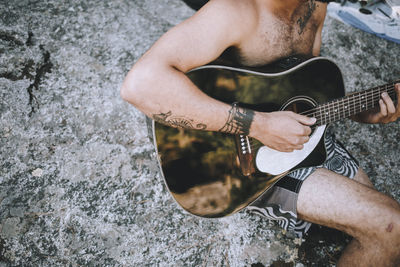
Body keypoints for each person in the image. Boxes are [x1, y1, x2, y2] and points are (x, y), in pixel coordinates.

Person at [120, 0, 400, 265]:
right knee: (389, 225)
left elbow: (299, 80)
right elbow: (141, 85)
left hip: (299, 137)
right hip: (233, 161)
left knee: (373, 226)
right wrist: (258, 126)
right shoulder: (236, 11)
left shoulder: (316, 6)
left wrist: (355, 110)